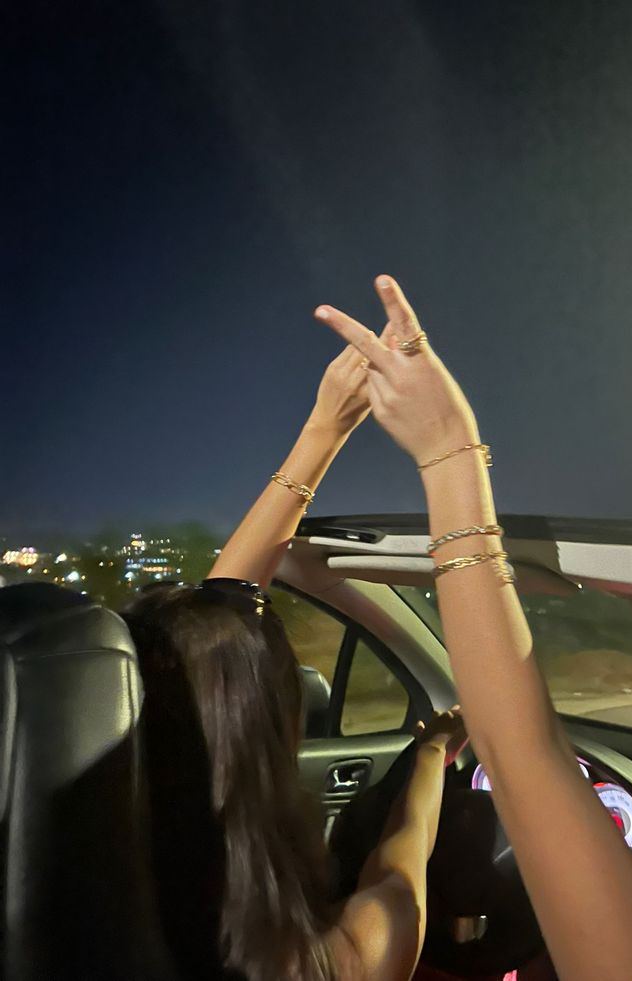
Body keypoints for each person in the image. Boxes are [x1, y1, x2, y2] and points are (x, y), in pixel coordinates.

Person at [315, 274, 632, 981]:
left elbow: (517, 760)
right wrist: (449, 452)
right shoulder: (354, 953)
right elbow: (518, 763)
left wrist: (435, 452)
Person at [123, 340, 466, 981]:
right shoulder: (308, 965)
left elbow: (213, 626)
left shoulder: (77, 877)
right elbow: (399, 873)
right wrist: (431, 754)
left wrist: (324, 428)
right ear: (269, 725)